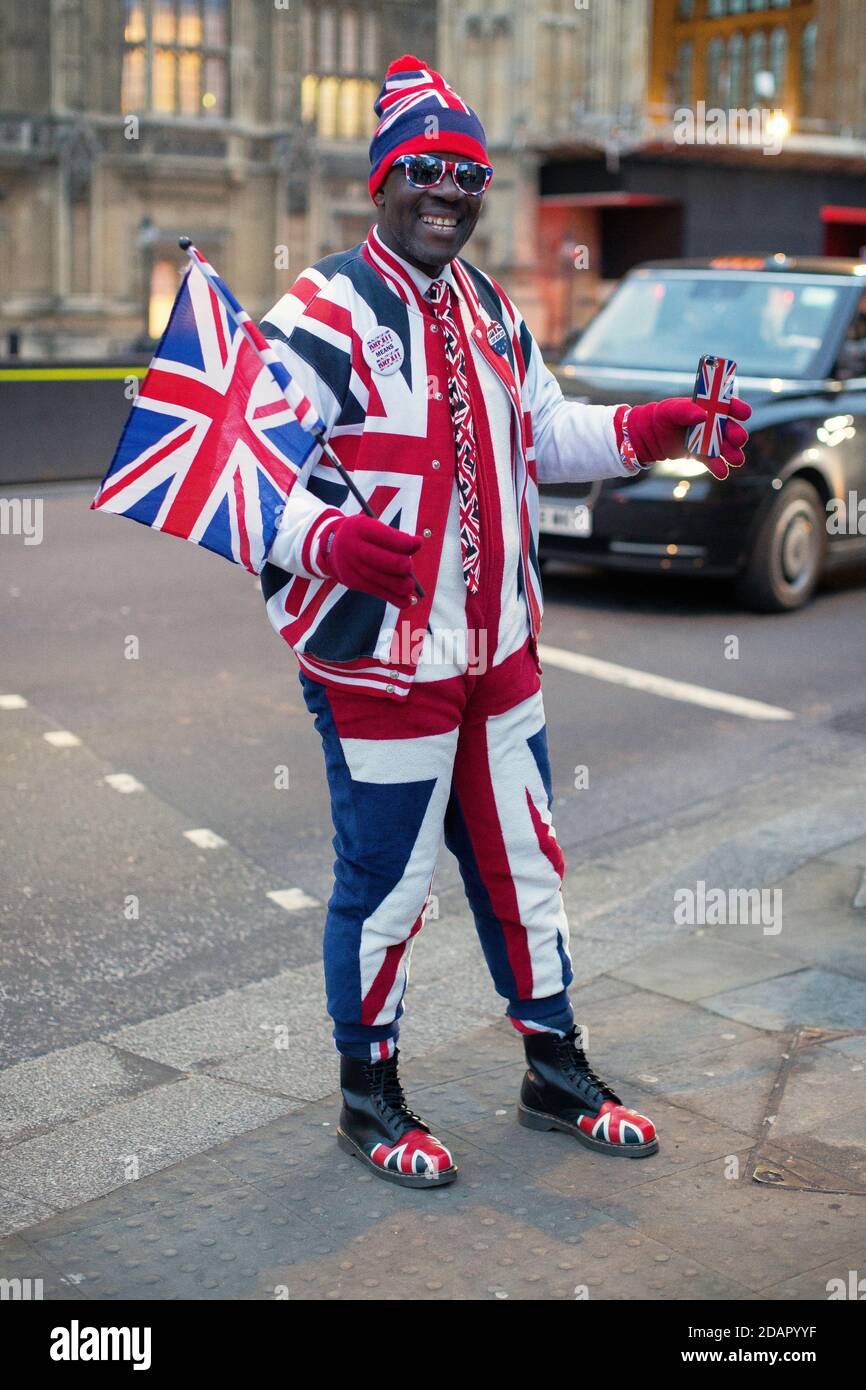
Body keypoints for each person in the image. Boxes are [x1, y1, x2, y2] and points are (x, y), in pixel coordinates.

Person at [257, 55, 751, 1188]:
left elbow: (545, 438)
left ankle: (551, 1065)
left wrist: (657, 426)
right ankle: (366, 1093)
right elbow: (246, 477)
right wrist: (320, 539)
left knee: (525, 863)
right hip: (382, 666)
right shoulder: (322, 310)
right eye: (424, 169)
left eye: (467, 172)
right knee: (385, 886)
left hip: (500, 656)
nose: (448, 190)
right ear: (381, 183)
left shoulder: (487, 307)